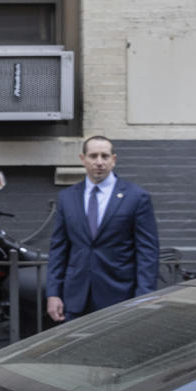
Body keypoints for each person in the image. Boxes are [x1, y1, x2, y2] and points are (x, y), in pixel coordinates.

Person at [47, 135, 160, 322]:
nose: (99, 162)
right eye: (93, 156)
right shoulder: (67, 198)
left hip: (119, 296)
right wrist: (53, 293)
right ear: (82, 159)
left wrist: (144, 296)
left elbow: (147, 251)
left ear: (113, 160)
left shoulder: (136, 197)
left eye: (105, 156)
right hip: (75, 298)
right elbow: (58, 249)